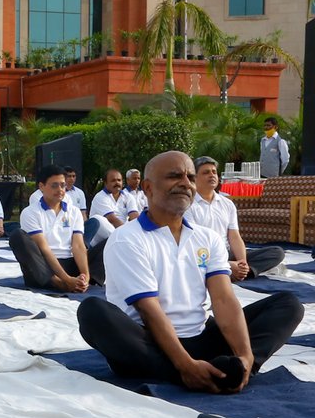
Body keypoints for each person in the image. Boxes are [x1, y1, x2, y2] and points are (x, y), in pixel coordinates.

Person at [77, 151, 302, 392]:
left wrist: (246, 356)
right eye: (175, 176)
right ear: (148, 188)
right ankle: (186, 374)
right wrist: (185, 364)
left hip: (202, 336)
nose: (186, 184)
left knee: (288, 305)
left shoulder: (207, 237)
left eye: (191, 178)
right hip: (149, 342)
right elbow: (148, 310)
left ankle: (237, 371)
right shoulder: (127, 239)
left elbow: (224, 299)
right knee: (92, 311)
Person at [8, 164, 105, 293]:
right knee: (17, 236)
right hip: (45, 267)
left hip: (70, 263)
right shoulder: (30, 212)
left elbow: (78, 246)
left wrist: (85, 275)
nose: (60, 190)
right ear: (41, 187)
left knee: (112, 241)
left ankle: (83, 282)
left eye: (63, 185)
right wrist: (65, 279)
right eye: (54, 185)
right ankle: (58, 284)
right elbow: (44, 249)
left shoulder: (74, 211)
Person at [186, 156, 283, 280]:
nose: (212, 175)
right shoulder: (188, 205)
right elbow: (193, 242)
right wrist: (226, 264)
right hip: (203, 254)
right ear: (194, 178)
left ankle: (238, 272)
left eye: (214, 172)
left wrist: (242, 262)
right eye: (206, 172)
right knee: (191, 260)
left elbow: (234, 236)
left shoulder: (227, 204)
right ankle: (226, 271)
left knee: (276, 252)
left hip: (226, 252)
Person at [86, 168, 139, 246]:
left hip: (122, 232)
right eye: (113, 180)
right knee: (98, 218)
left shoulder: (128, 196)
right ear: (106, 183)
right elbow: (112, 219)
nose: (117, 183)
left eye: (119, 180)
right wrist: (127, 234)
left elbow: (134, 216)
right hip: (102, 236)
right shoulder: (100, 197)